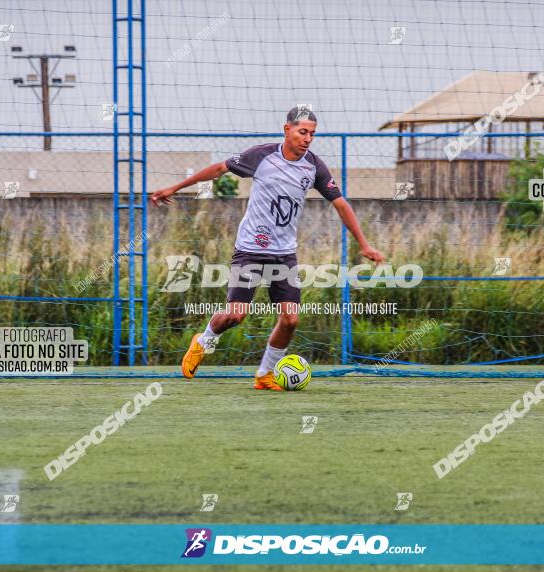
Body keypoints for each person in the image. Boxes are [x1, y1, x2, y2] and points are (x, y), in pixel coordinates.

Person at [151, 107, 385, 390]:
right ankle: (204, 340)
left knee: (290, 319)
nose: (308, 138)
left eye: (312, 133)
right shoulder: (261, 156)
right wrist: (175, 187)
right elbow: (218, 169)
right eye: (302, 132)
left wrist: (365, 244)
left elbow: (340, 204)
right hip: (249, 250)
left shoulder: (314, 167)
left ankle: (265, 374)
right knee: (235, 315)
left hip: (284, 254)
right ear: (287, 129)